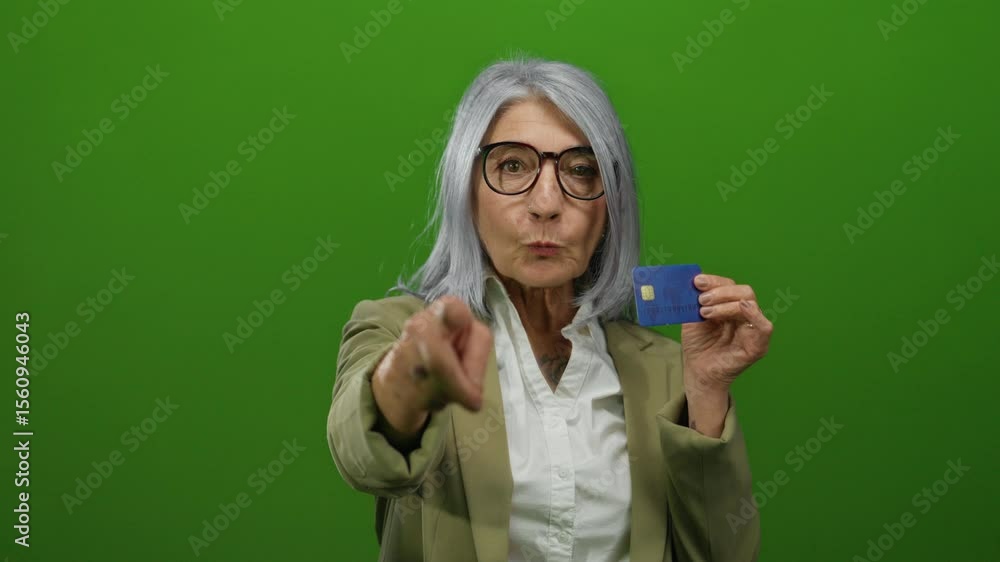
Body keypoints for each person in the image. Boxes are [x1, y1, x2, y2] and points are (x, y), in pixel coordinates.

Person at [327, 57, 772, 562]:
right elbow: (364, 461)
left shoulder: (667, 369)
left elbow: (722, 555)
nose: (545, 204)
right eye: (512, 165)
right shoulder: (395, 329)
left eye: (580, 171)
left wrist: (707, 393)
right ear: (466, 191)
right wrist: (407, 380)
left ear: (611, 206)